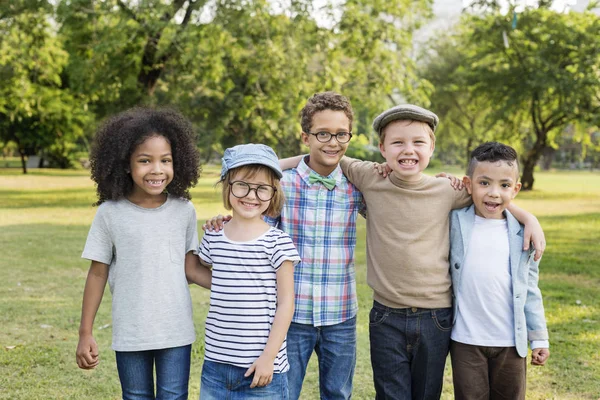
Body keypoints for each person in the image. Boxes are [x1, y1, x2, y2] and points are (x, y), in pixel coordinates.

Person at [337, 104, 546, 400]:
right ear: (382, 148)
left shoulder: (446, 190)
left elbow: (491, 194)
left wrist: (527, 217)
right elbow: (327, 155)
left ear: (432, 146)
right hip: (386, 315)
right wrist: (277, 163)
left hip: (436, 317)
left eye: (418, 142)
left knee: (427, 393)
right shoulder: (371, 177)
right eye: (398, 142)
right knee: (390, 394)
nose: (408, 150)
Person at [205, 92, 366, 399]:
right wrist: (226, 221)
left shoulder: (357, 184)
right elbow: (254, 222)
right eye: (323, 134)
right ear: (305, 136)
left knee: (338, 393)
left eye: (341, 134)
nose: (333, 142)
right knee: (283, 392)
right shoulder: (283, 183)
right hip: (293, 314)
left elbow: (395, 200)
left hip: (341, 313)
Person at [76, 107, 212, 400]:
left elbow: (190, 268)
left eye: (166, 160)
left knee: (174, 396)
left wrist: (237, 281)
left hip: (175, 330)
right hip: (131, 331)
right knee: (135, 397)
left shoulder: (184, 210)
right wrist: (85, 332)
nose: (157, 170)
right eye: (145, 161)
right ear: (126, 164)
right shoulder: (110, 213)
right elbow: (98, 273)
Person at [198, 143, 301, 399]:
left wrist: (268, 358)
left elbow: (286, 303)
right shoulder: (214, 236)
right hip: (216, 365)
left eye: (262, 189)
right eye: (242, 185)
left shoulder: (278, 243)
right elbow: (204, 271)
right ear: (227, 185)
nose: (251, 196)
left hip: (263, 369)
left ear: (273, 193)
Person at [449, 142, 549, 400]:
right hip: (466, 339)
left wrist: (538, 338)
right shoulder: (454, 221)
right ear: (468, 184)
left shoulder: (523, 234)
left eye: (504, 185)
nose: (494, 193)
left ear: (515, 189)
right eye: (484, 183)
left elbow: (530, 289)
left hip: (510, 343)